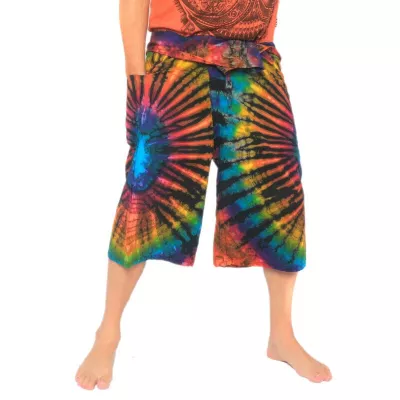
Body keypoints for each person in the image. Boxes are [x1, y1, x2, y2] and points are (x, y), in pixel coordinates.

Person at [75, 0, 332, 390]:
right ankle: (108, 332)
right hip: (174, 61)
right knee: (146, 195)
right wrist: (137, 79)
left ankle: (282, 335)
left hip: (255, 62)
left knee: (279, 195)